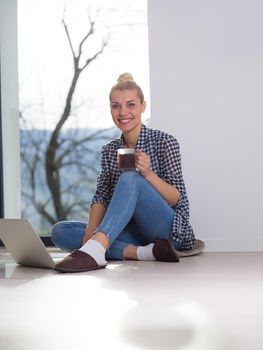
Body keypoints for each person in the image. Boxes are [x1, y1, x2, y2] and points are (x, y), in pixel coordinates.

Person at [53, 73, 195, 273]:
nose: (123, 113)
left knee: (131, 177)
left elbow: (177, 198)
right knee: (61, 231)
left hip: (167, 231)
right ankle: (141, 252)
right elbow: (101, 195)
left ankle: (97, 249)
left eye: (130, 105)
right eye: (116, 106)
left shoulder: (165, 142)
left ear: (142, 106)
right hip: (130, 231)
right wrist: (90, 232)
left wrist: (147, 174)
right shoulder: (110, 150)